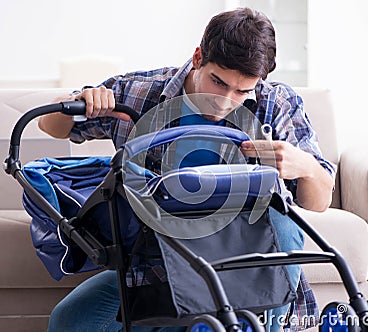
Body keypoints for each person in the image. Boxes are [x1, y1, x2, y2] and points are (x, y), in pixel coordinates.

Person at [38, 7, 336, 332]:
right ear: (198, 58)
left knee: (279, 214)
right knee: (69, 321)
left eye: (241, 91)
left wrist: (304, 166)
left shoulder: (276, 104)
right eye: (218, 82)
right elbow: (51, 125)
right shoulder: (141, 93)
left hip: (249, 267)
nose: (224, 102)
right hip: (159, 263)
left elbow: (317, 201)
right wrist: (81, 101)